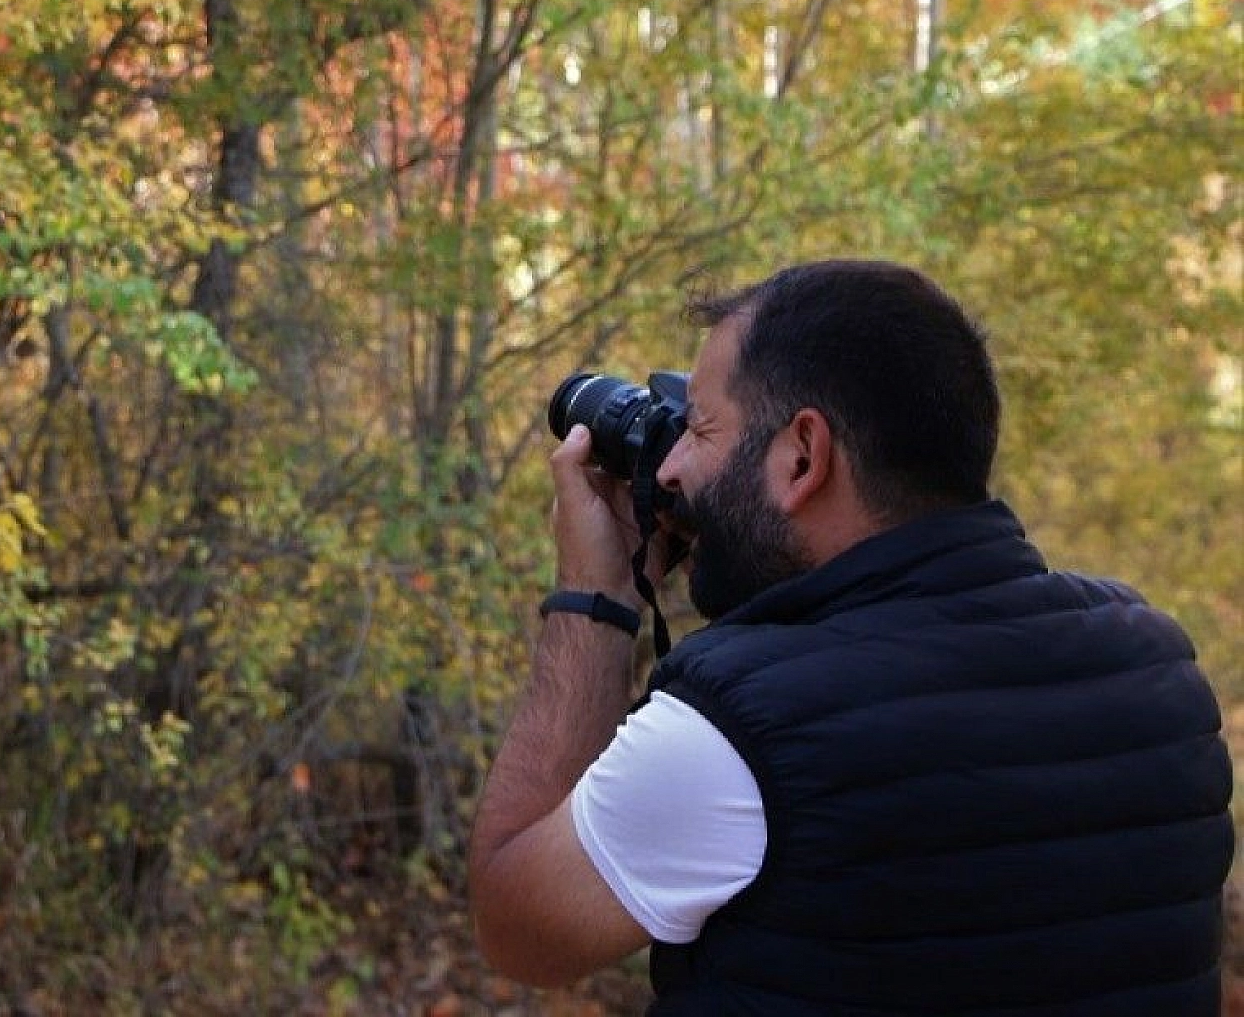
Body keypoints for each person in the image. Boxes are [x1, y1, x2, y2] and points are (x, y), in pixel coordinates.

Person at [468, 260, 1233, 1015]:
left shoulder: (737, 736)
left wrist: (593, 597)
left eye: (699, 427)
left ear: (802, 455)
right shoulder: (1158, 670)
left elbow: (518, 926)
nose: (668, 468)